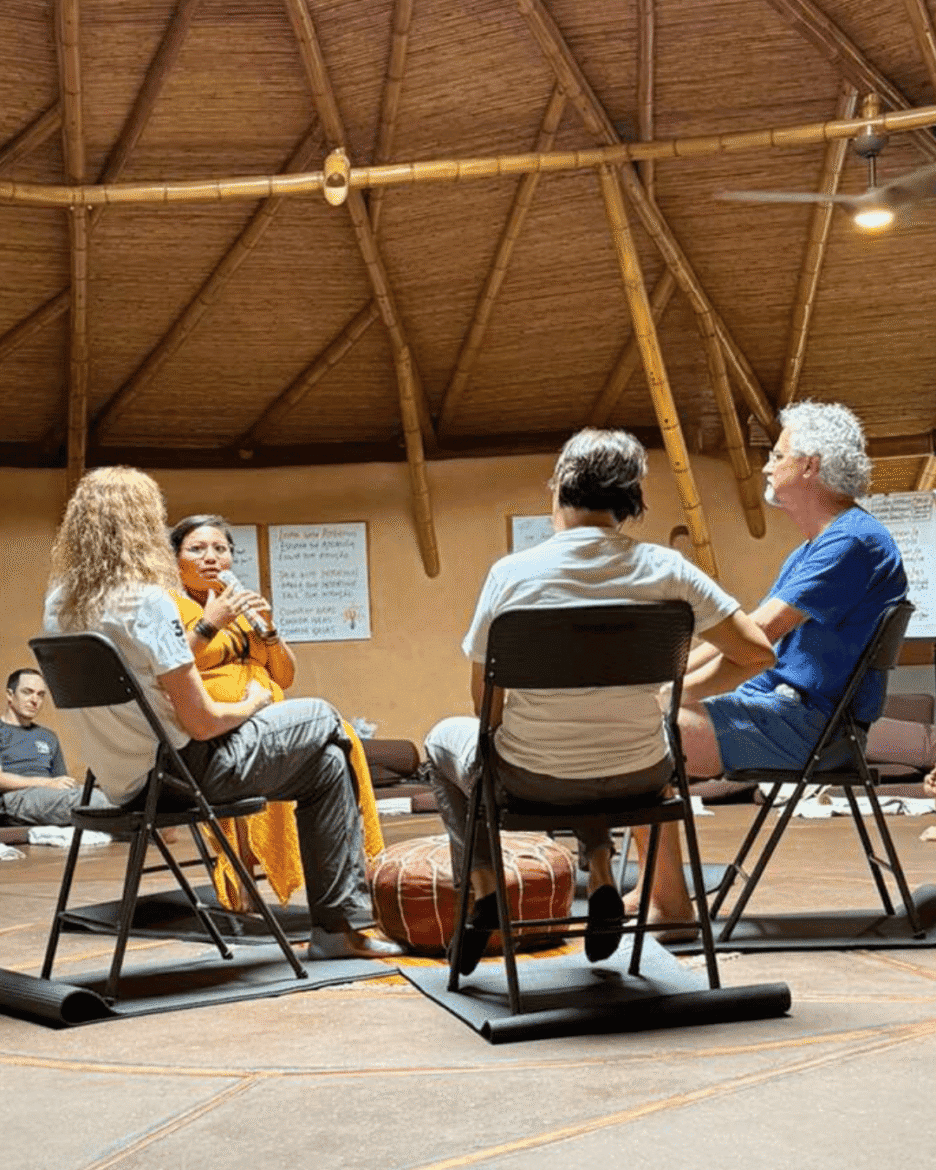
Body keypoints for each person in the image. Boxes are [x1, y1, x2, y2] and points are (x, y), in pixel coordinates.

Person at [424, 428, 775, 974]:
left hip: (530, 779)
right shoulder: (668, 570)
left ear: (560, 488)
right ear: (631, 499)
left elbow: (484, 711)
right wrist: (666, 692)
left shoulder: (511, 576)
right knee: (598, 745)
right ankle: (602, 871)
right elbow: (758, 652)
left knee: (439, 744)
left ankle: (487, 890)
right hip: (640, 775)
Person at [43, 466, 399, 961]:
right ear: (146, 529)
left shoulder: (59, 603)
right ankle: (342, 924)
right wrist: (253, 704)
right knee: (322, 716)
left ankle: (339, 929)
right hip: (184, 775)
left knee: (327, 765)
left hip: (119, 780)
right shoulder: (147, 603)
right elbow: (204, 724)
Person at [678, 401, 908, 788]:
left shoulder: (853, 541)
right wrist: (672, 674)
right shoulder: (815, 548)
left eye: (778, 455)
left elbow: (761, 632)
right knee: (633, 722)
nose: (767, 467)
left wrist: (671, 692)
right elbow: (747, 628)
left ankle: (594, 849)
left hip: (811, 729)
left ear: (809, 466)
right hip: (785, 713)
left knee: (635, 731)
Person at [167, 514, 383, 911]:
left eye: (220, 549)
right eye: (196, 549)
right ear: (175, 559)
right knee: (333, 725)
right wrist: (212, 624)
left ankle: (359, 880)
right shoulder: (167, 605)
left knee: (342, 745)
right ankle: (246, 881)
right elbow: (168, 667)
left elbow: (284, 676)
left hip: (269, 710)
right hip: (218, 722)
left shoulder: (243, 603)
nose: (211, 557)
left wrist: (267, 629)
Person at [1, 667, 112, 826]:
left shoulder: (48, 736)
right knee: (91, 801)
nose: (34, 700)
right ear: (10, 695)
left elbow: (61, 781)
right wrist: (46, 783)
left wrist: (59, 785)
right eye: (27, 692)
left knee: (108, 797)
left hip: (50, 797)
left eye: (40, 695)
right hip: (15, 798)